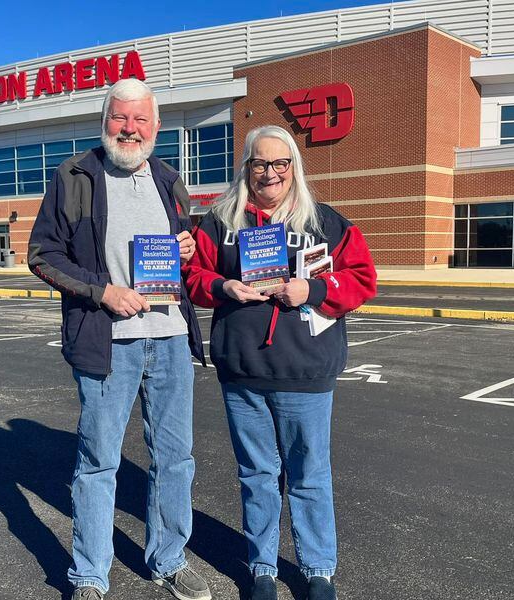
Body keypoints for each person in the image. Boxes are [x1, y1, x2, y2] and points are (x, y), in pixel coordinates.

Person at [28, 78, 211, 600]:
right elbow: (42, 255)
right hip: (108, 340)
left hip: (171, 336)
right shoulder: (75, 176)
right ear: (104, 121)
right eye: (120, 119)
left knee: (176, 458)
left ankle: (169, 559)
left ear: (155, 126)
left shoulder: (169, 178)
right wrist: (102, 291)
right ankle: (89, 574)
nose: (130, 129)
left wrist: (188, 246)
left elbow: (184, 247)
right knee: (98, 460)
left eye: (140, 121)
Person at [183, 125, 377, 600]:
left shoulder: (326, 224)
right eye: (259, 163)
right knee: (256, 476)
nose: (269, 174)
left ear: (294, 168)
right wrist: (221, 287)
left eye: (279, 164)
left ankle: (317, 570)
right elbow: (189, 274)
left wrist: (311, 289)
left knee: (309, 476)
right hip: (242, 372)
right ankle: (263, 569)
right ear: (246, 167)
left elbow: (363, 280)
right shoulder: (220, 223)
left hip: (305, 372)